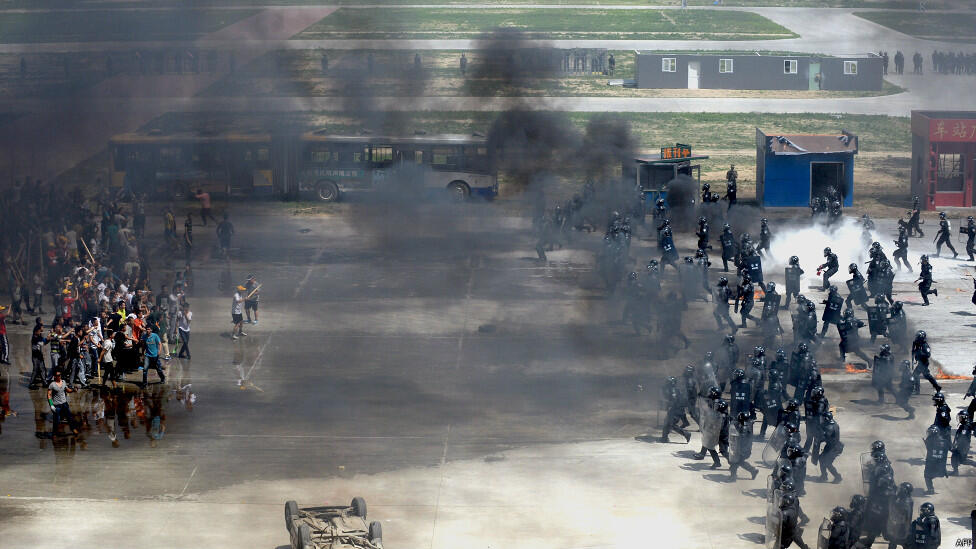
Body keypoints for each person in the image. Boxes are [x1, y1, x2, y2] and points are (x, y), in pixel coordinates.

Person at [660, 376, 691, 443]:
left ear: (672, 383)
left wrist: (670, 407)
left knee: (672, 424)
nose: (667, 383)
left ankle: (686, 434)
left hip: (676, 410)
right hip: (676, 409)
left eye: (668, 382)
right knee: (667, 422)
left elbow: (674, 401)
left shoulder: (673, 390)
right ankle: (664, 438)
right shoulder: (673, 389)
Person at [47, 370, 78, 436]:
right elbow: (49, 395)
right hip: (57, 406)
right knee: (56, 420)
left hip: (64, 404)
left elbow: (67, 390)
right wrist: (51, 405)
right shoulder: (52, 385)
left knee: (70, 418)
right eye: (58, 375)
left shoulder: (63, 382)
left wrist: (73, 390)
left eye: (60, 375)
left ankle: (73, 429)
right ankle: (54, 433)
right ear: (54, 377)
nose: (59, 377)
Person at [728, 411, 759, 480]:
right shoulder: (748, 423)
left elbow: (740, 439)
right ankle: (753, 470)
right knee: (739, 462)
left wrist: (739, 451)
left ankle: (733, 476)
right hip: (744, 449)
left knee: (735, 461)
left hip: (742, 449)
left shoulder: (744, 428)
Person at [816, 411, 843, 483]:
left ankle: (838, 477)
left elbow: (823, 438)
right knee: (821, 459)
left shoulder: (829, 428)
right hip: (831, 446)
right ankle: (824, 476)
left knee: (827, 463)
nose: (822, 419)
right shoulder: (833, 423)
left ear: (827, 419)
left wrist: (819, 435)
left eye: (823, 418)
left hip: (834, 448)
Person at [922, 425, 949, 494]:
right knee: (930, 475)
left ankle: (930, 490)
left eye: (930, 433)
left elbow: (930, 450)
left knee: (927, 476)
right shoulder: (944, 441)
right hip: (940, 466)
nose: (929, 434)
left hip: (932, 465)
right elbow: (944, 454)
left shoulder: (930, 441)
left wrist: (926, 443)